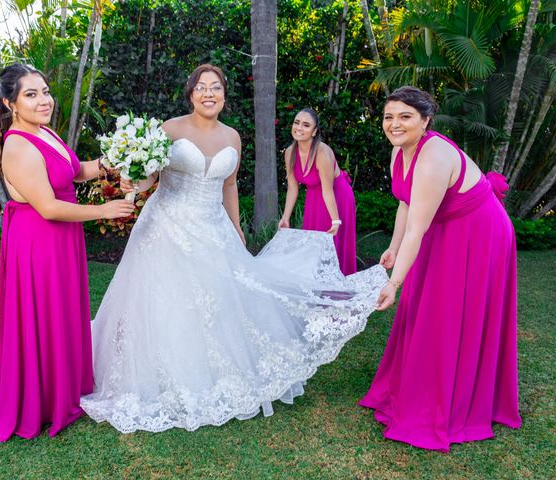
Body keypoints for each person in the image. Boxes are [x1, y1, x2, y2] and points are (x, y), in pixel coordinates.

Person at [80, 64, 387, 433]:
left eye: (216, 88)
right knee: (166, 302)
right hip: (166, 226)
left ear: (224, 94)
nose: (209, 94)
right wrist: (134, 175)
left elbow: (228, 186)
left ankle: (208, 371)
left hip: (213, 228)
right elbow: (150, 177)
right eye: (201, 88)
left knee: (219, 301)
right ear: (191, 93)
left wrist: (237, 226)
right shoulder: (169, 128)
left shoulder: (233, 136)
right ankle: (162, 376)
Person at [360, 86, 521, 452]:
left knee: (450, 310)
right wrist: (393, 246)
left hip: (479, 232)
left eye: (405, 117)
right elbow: (405, 204)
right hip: (444, 225)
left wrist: (395, 283)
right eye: (389, 116)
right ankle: (416, 383)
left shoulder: (433, 156)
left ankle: (453, 399)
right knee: (428, 304)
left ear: (425, 120)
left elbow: (419, 225)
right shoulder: (398, 151)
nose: (394, 124)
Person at [0, 63, 134, 442]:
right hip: (39, 242)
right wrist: (103, 211)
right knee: (45, 313)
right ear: (10, 102)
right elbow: (48, 207)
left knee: (64, 311)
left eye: (45, 91)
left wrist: (109, 165)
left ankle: (66, 388)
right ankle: (44, 401)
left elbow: (73, 171)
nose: (44, 100)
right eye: (31, 95)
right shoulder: (18, 144)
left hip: (61, 239)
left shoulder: (45, 132)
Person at [279, 108, 357, 275]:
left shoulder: (321, 153)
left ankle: (336, 289)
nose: (299, 128)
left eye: (306, 125)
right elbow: (293, 187)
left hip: (337, 196)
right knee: (314, 245)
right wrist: (286, 217)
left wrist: (336, 221)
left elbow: (327, 190)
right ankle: (316, 287)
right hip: (314, 196)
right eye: (297, 122)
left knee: (332, 243)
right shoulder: (289, 153)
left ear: (314, 132)